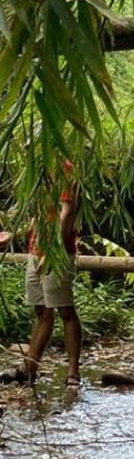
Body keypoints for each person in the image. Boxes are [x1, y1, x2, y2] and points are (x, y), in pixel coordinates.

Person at [0, 164, 82, 388]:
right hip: (36, 250)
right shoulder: (39, 170)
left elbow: (67, 213)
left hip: (57, 253)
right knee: (42, 311)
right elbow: (41, 218)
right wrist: (13, 236)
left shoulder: (65, 171)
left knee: (65, 309)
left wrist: (53, 250)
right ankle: (29, 368)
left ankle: (73, 372)